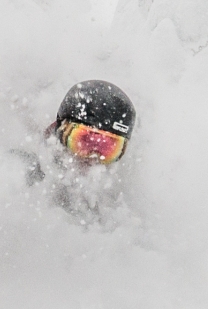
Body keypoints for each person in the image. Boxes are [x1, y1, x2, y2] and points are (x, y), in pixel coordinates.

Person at [21, 80, 135, 224]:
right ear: (57, 132)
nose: (92, 158)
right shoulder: (18, 175)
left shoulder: (114, 212)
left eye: (107, 149)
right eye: (83, 141)